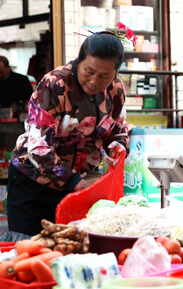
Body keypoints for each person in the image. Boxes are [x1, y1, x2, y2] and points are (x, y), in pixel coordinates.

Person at [7, 32, 130, 236]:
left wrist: (118, 145)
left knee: (72, 247)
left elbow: (118, 128)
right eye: (88, 72)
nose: (94, 81)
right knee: (32, 250)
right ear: (78, 61)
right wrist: (74, 183)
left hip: (79, 184)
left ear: (115, 73)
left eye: (104, 76)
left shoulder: (115, 90)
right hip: (34, 184)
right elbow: (38, 147)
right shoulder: (55, 85)